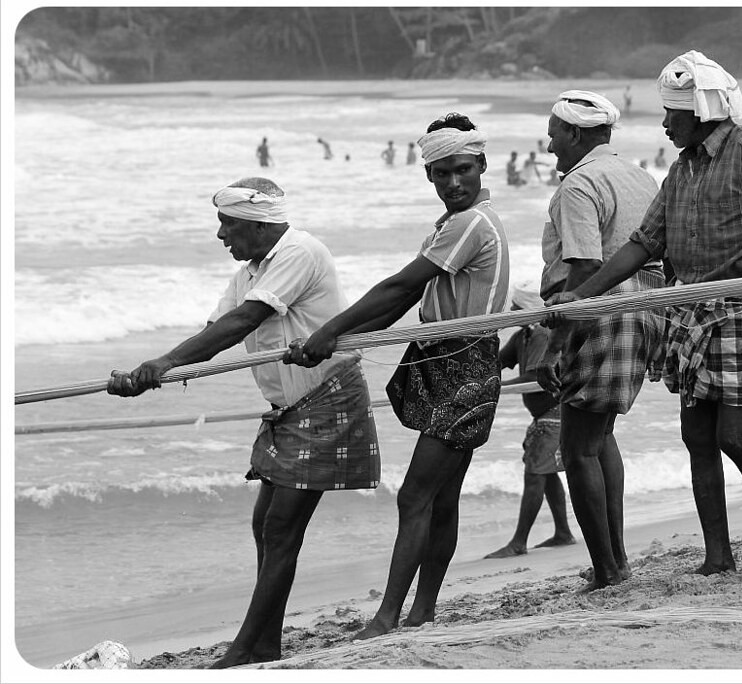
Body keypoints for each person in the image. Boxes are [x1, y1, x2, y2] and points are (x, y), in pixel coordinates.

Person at [547, 50, 742, 575]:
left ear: (698, 112)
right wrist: (586, 298)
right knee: (697, 437)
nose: (664, 123)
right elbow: (641, 243)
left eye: (671, 114)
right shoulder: (683, 167)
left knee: (733, 437)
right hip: (688, 309)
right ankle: (717, 556)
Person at [107, 177, 380, 667]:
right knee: (265, 526)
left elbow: (246, 321)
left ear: (257, 225)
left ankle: (242, 650)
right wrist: (147, 372)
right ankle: (265, 643)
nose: (220, 236)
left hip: (326, 398)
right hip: (289, 412)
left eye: (227, 224)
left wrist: (165, 364)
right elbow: (219, 327)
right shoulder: (253, 267)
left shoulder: (300, 252)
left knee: (280, 530)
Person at [286, 113, 509, 639]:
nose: (453, 183)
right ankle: (422, 611)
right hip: (456, 359)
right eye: (441, 174)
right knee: (442, 497)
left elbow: (398, 286)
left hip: (465, 364)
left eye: (462, 170)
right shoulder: (455, 223)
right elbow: (407, 296)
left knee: (416, 497)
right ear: (429, 176)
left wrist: (328, 331)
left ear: (481, 165)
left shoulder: (470, 223)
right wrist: (335, 340)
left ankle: (388, 617)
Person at [536, 89, 664, 591]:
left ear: (574, 133)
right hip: (646, 307)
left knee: (578, 448)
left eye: (553, 137)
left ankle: (608, 570)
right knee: (600, 437)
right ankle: (616, 559)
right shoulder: (639, 176)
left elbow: (586, 267)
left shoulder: (580, 185)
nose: (549, 148)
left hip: (603, 310)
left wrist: (557, 343)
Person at [484, 281, 575, 559]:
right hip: (543, 414)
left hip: (555, 411)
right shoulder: (523, 336)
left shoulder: (541, 334)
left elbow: (534, 377)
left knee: (535, 472)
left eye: (516, 309)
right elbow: (498, 362)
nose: (512, 314)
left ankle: (518, 542)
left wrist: (495, 387)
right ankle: (563, 532)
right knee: (545, 474)